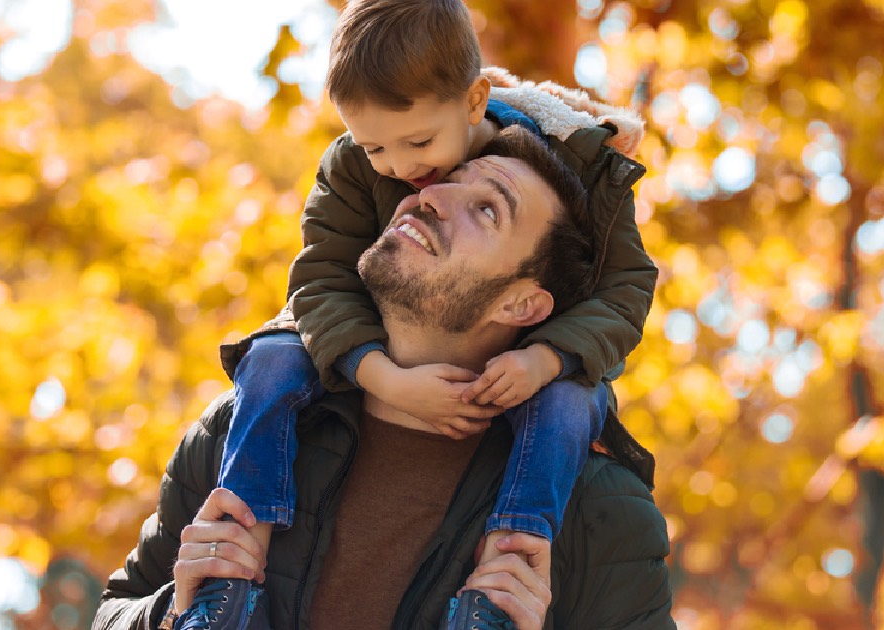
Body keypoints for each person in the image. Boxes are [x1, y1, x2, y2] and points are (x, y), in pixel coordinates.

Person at [93, 127, 673, 629]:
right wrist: (170, 611)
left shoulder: (596, 506)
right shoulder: (246, 426)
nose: (434, 196)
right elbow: (115, 609)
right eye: (449, 178)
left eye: (488, 209)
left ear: (522, 305)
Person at [198, 0, 658, 625]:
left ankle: (511, 564)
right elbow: (318, 277)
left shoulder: (582, 169)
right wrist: (379, 375)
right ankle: (238, 542)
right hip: (345, 346)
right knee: (271, 357)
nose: (409, 174)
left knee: (568, 403)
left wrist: (549, 356)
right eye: (376, 148)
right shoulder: (220, 434)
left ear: (475, 102)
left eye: (418, 143)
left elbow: (628, 290)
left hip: (548, 367)